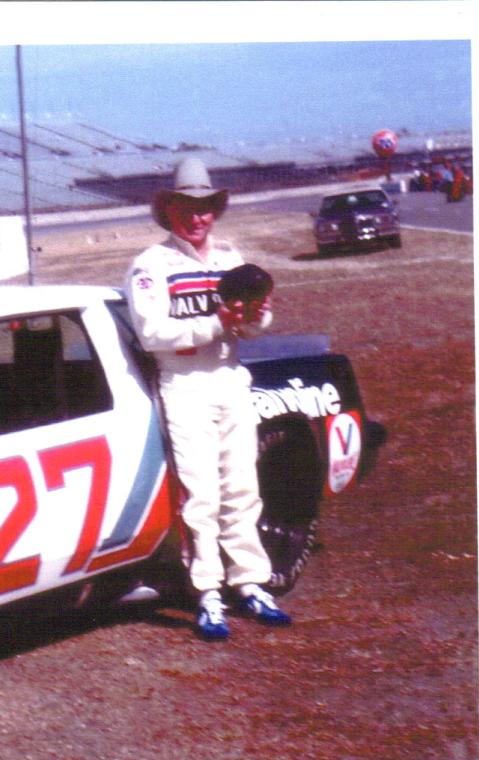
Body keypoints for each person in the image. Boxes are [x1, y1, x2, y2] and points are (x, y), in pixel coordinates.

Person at [123, 157, 291, 640]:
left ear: (215, 211)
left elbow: (254, 327)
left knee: (243, 486)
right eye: (186, 209)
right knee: (201, 495)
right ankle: (207, 592)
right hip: (184, 383)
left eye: (204, 209)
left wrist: (256, 315)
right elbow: (153, 334)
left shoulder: (231, 259)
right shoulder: (151, 265)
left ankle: (250, 582)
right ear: (169, 211)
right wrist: (216, 322)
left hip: (229, 378)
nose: (196, 218)